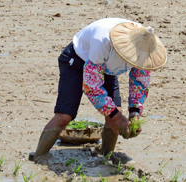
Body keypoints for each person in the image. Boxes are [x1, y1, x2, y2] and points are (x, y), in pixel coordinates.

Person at [30, 18, 166, 161]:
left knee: (115, 112)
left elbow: (139, 82)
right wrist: (117, 117)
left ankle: (106, 158)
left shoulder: (145, 47)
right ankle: (39, 157)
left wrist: (135, 113)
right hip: (77, 60)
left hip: (107, 68)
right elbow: (92, 87)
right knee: (65, 116)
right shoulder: (103, 41)